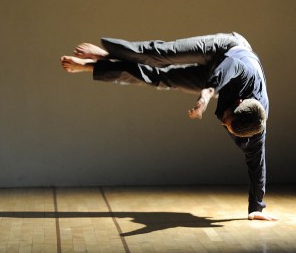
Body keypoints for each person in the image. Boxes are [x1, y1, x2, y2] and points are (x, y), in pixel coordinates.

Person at [60, 32, 277, 221]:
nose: (222, 122)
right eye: (227, 119)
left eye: (227, 127)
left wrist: (256, 207)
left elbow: (257, 164)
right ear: (238, 103)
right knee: (159, 55)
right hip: (226, 48)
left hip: (216, 82)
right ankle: (107, 54)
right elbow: (229, 67)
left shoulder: (254, 126)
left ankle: (92, 67)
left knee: (160, 79)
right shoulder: (245, 71)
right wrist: (206, 94)